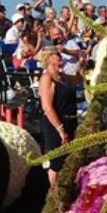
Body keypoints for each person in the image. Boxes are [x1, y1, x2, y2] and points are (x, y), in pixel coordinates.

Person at [38, 47, 84, 185]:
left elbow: (78, 79)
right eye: (57, 55)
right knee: (57, 163)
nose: (61, 57)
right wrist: (60, 129)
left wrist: (81, 63)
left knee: (69, 160)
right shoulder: (47, 78)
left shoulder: (63, 77)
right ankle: (54, 192)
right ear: (49, 58)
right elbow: (47, 107)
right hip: (55, 124)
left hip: (70, 120)